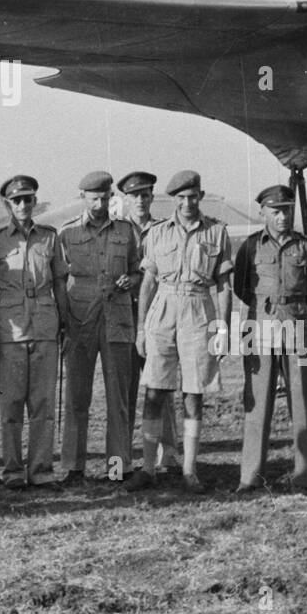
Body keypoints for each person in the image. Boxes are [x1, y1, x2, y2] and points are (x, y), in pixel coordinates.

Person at [130, 170, 231, 492]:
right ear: (172, 200)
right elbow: (147, 283)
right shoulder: (157, 233)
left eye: (192, 197)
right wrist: (142, 329)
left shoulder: (217, 231)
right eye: (181, 198)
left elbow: (224, 286)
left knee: (194, 391)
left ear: (201, 196)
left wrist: (222, 329)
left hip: (199, 310)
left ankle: (189, 470)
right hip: (163, 309)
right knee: (155, 390)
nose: (187, 203)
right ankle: (147, 468)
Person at [232, 185, 307, 492]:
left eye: (287, 210)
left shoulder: (305, 246)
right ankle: (250, 476)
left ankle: (306, 474)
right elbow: (240, 288)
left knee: (304, 399)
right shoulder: (250, 246)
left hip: (299, 325)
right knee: (256, 403)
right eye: (276, 211)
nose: (283, 216)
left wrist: (290, 309)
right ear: (263, 213)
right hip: (258, 325)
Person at [0, 175, 69, 490]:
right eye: (16, 200)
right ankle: (13, 471)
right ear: (8, 204)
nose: (22, 205)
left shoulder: (49, 237)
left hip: (45, 326)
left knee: (43, 404)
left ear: (34, 202)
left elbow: (59, 281)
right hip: (10, 330)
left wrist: (64, 319)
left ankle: (42, 470)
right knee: (11, 405)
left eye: (27, 199)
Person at [58, 171, 141, 484]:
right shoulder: (66, 234)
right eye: (93, 198)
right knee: (77, 397)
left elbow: (138, 272)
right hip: (80, 321)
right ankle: (73, 468)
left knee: (118, 398)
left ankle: (117, 468)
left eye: (105, 198)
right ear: (82, 198)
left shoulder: (127, 231)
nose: (100, 203)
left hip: (117, 319)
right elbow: (59, 280)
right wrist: (64, 322)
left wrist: (130, 281)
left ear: (111, 198)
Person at [117, 171, 180, 477]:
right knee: (125, 389)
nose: (140, 201)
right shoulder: (116, 230)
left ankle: (168, 454)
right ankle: (125, 460)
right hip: (122, 317)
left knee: (160, 387)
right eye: (134, 196)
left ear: (153, 197)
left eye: (145, 195)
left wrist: (137, 279)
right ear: (125, 200)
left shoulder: (164, 229)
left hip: (158, 316)